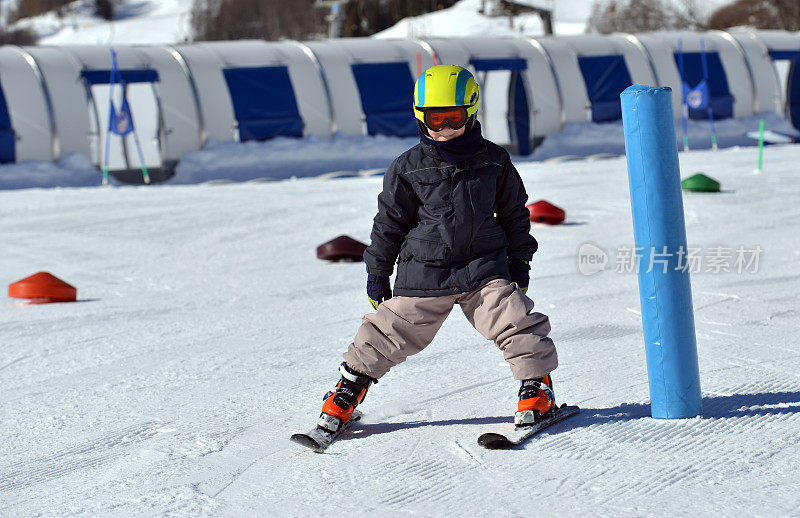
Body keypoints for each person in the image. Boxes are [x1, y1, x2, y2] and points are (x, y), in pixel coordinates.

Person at [315, 64, 558, 435]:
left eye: (454, 118)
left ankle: (535, 391)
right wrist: (378, 274)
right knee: (385, 331)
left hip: (483, 269)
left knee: (516, 320)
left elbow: (514, 215)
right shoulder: (408, 167)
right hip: (425, 271)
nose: (444, 130)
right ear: (420, 118)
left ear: (472, 112)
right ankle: (347, 393)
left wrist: (519, 263)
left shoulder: (495, 161)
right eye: (435, 120)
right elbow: (389, 225)